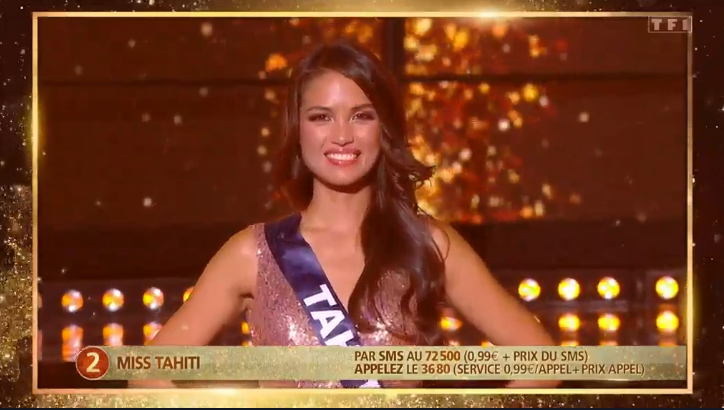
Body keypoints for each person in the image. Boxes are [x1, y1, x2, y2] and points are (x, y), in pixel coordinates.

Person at [134, 40, 557, 389]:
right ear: (298, 130)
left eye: (361, 116)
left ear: (383, 129)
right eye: (321, 117)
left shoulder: (428, 244)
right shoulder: (255, 254)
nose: (341, 136)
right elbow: (148, 374)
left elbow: (542, 363)